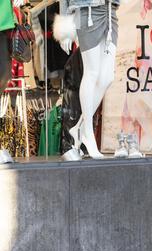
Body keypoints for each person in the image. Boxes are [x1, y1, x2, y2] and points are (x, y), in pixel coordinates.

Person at [54, 0, 121, 159]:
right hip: (87, 11)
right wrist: (65, 21)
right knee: (92, 73)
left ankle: (80, 127)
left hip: (110, 11)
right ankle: (88, 134)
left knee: (107, 77)